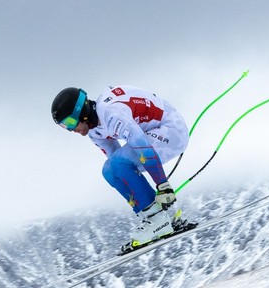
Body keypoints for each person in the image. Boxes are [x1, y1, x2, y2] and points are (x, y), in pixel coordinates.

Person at [51, 85, 196, 253]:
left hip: (172, 131)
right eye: (64, 126)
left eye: (69, 122)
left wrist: (163, 186)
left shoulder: (111, 114)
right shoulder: (94, 132)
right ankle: (160, 216)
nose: (70, 130)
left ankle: (160, 220)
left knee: (119, 163)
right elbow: (118, 167)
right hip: (153, 137)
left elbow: (141, 146)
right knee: (109, 170)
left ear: (81, 112)